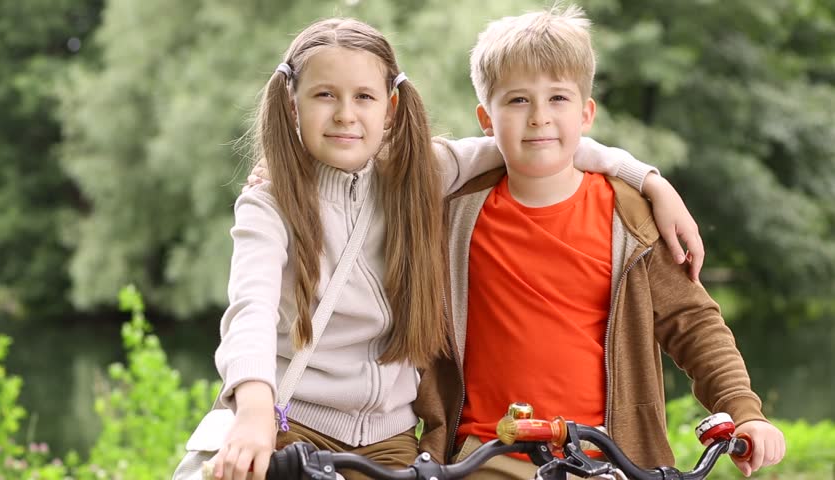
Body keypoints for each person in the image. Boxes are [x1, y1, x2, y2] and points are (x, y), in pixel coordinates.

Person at [203, 17, 702, 480]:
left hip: (388, 437)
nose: (345, 115)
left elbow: (536, 142)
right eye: (324, 95)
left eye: (363, 97)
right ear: (293, 105)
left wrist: (648, 180)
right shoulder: (269, 203)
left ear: (391, 108)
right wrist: (252, 415)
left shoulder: (418, 174)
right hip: (292, 421)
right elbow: (251, 312)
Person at [414, 4, 786, 479]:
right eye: (518, 101)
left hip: (608, 459)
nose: (539, 118)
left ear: (587, 112)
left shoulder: (629, 217)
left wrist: (744, 410)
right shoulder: (454, 213)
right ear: (487, 119)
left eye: (558, 99)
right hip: (485, 456)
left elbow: (693, 323)